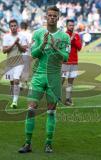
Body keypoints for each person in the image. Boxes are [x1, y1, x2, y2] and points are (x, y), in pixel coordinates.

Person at [18, 6, 70, 153]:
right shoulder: (38, 33)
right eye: (50, 15)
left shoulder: (64, 37)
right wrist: (42, 44)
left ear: (58, 18)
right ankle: (27, 143)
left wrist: (54, 47)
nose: (52, 18)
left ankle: (48, 143)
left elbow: (66, 57)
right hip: (39, 76)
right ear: (45, 17)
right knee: (30, 109)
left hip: (54, 77)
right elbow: (33, 54)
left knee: (51, 112)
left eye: (55, 16)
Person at [2, 19, 27, 109]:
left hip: (19, 62)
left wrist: (18, 44)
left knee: (16, 80)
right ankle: (13, 98)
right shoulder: (6, 37)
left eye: (15, 25)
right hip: (10, 62)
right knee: (12, 82)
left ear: (17, 26)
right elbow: (4, 51)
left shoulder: (22, 37)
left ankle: (15, 102)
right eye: (11, 26)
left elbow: (24, 49)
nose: (13, 27)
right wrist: (14, 44)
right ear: (9, 27)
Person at [62, 19, 82, 106]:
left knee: (70, 82)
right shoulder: (63, 35)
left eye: (73, 25)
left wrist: (73, 40)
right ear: (66, 26)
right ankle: (55, 98)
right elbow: (62, 46)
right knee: (61, 81)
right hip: (65, 62)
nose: (72, 27)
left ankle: (68, 99)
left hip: (74, 62)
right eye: (70, 25)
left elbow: (79, 47)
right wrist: (70, 39)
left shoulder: (77, 35)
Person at [19, 21, 32, 87]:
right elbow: (30, 44)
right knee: (26, 69)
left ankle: (20, 83)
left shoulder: (18, 34)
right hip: (26, 53)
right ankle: (24, 83)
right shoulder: (29, 34)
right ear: (26, 27)